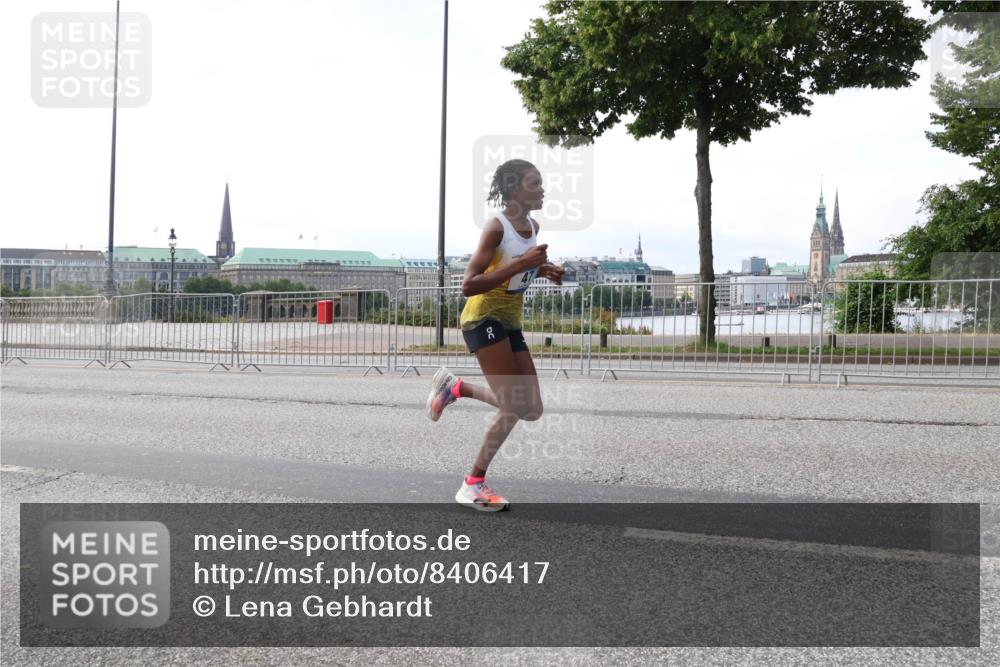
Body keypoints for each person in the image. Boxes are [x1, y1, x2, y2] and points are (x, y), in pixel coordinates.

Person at [425, 159, 565, 511]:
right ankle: (472, 484)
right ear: (515, 189)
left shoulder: (532, 225)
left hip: (509, 322)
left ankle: (457, 388)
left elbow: (518, 266)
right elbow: (469, 284)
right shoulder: (495, 227)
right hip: (482, 318)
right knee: (514, 405)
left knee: (531, 408)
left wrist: (544, 269)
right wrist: (522, 264)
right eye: (535, 183)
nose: (542, 188)